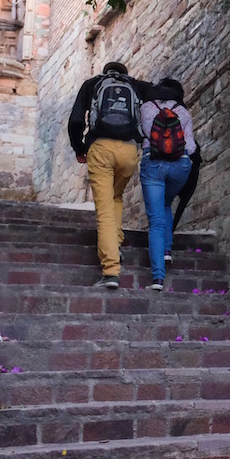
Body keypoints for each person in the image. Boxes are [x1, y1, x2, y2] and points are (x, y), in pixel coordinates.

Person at [68, 61, 151, 289]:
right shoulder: (134, 85)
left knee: (103, 210)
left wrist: (79, 148)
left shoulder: (92, 84)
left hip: (101, 148)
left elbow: (76, 119)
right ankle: (116, 242)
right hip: (129, 151)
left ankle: (111, 271)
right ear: (125, 73)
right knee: (116, 196)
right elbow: (159, 94)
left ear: (105, 73)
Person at [139, 78, 197, 291]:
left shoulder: (146, 108)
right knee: (166, 203)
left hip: (153, 163)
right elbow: (190, 147)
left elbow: (140, 134)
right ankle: (166, 250)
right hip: (180, 166)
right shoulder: (182, 111)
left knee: (155, 220)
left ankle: (158, 279)